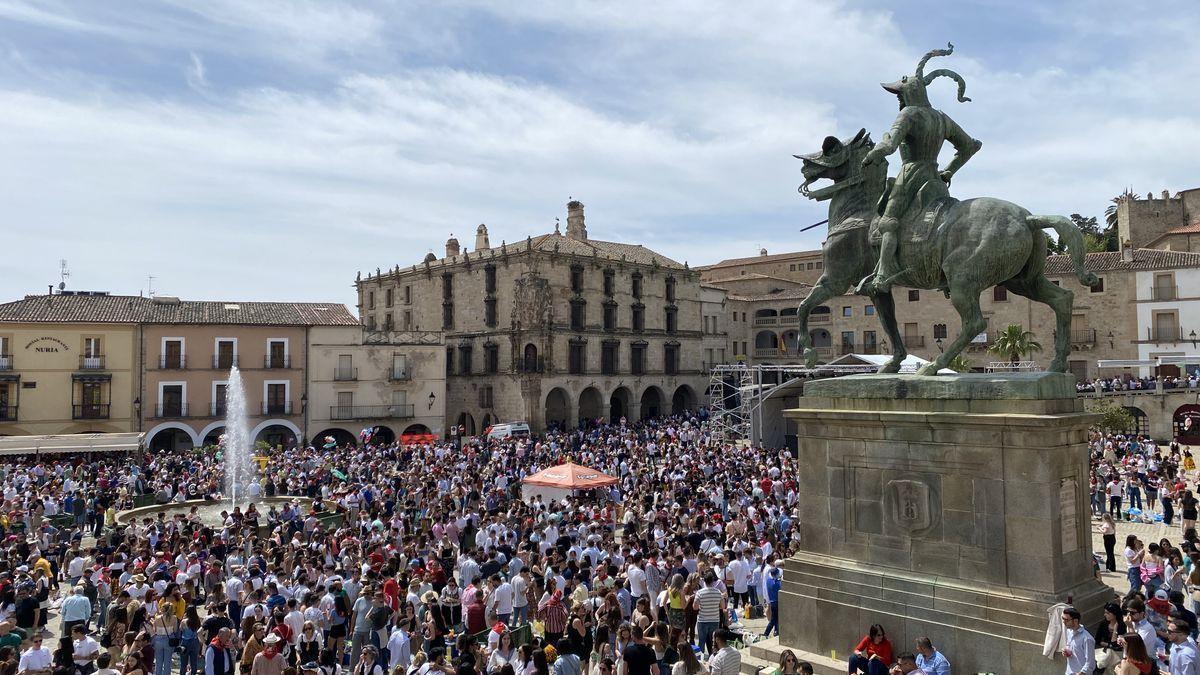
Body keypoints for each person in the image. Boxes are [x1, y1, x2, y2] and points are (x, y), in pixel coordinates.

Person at [855, 43, 980, 294]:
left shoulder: (909, 114)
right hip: (935, 179)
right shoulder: (942, 118)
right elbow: (971, 146)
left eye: (899, 94)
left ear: (909, 94)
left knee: (889, 223)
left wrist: (872, 154)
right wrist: (948, 171)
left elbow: (889, 145)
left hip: (911, 175)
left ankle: (883, 273)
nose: (898, 99)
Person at [1060, 607, 1095, 675]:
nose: (1063, 622)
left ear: (1075, 621)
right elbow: (1071, 647)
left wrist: (1080, 673)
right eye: (1063, 619)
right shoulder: (1069, 631)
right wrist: (1067, 651)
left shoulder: (1087, 639)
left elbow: (1090, 663)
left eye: (1066, 620)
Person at [761, 568, 781, 639]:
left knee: (776, 619)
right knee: (773, 620)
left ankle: (777, 631)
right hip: (776, 602)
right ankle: (766, 633)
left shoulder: (768, 581)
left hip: (772, 602)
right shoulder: (777, 583)